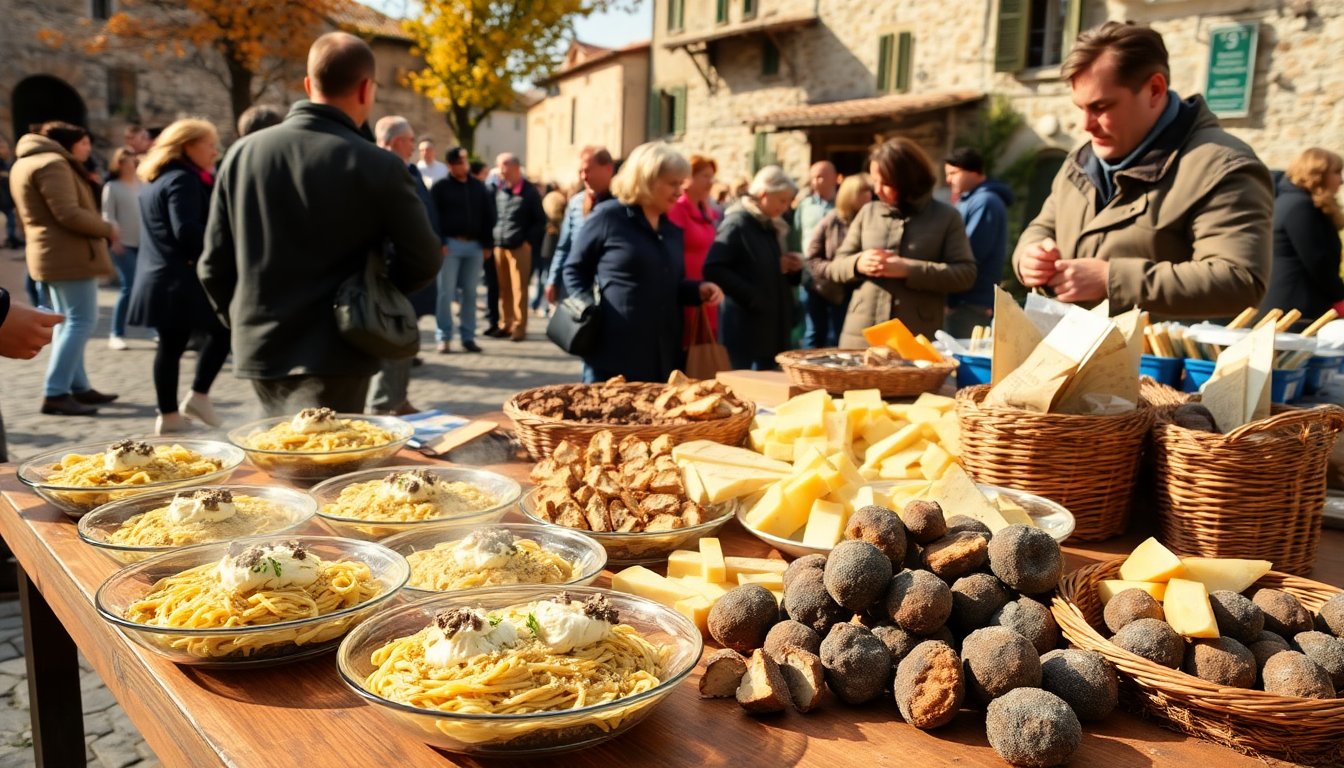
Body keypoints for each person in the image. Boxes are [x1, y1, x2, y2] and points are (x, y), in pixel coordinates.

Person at [199, 32, 442, 415]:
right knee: (334, 466)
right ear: (367, 89)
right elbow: (424, 257)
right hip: (343, 342)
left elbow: (213, 263)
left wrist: (242, 319)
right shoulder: (377, 164)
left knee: (280, 460)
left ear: (309, 85)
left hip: (263, 342)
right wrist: (375, 297)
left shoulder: (242, 154)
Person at [1014, 21, 1273, 317]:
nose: (1085, 125)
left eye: (1100, 107)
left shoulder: (1222, 165)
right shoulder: (1080, 161)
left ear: (1154, 89)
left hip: (1163, 363)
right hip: (1071, 354)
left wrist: (1110, 279)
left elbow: (1240, 282)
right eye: (1080, 108)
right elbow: (1043, 227)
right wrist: (1030, 256)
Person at [562, 142, 723, 382]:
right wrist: (589, 311)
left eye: (681, 183)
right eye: (673, 183)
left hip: (662, 355)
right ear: (646, 179)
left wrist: (697, 289)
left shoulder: (671, 230)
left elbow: (672, 284)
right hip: (615, 351)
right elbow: (574, 269)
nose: (680, 192)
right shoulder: (609, 216)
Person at [10, 121, 121, 416]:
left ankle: (78, 386)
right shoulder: (53, 163)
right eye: (84, 143)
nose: (88, 148)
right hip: (67, 255)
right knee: (81, 321)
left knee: (68, 321)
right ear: (67, 143)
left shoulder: (28, 161)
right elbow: (68, 213)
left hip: (50, 253)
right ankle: (56, 392)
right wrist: (107, 228)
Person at [127, 119, 230, 434]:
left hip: (162, 277)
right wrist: (226, 234)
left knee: (171, 347)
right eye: (209, 144)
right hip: (178, 279)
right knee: (224, 329)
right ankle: (191, 401)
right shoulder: (182, 180)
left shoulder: (159, 178)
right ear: (188, 145)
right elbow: (185, 230)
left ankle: (173, 414)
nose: (215, 151)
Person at [825, 137, 975, 342]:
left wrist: (908, 269)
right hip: (861, 335)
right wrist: (858, 263)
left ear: (909, 181)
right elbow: (836, 267)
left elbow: (965, 274)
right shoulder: (868, 212)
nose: (877, 190)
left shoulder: (946, 217)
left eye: (885, 183)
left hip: (915, 337)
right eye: (874, 182)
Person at [367, 115, 444, 415]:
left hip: (406, 270)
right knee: (389, 337)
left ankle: (397, 398)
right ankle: (385, 403)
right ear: (397, 140)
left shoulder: (406, 169)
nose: (414, 146)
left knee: (403, 337)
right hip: (387, 271)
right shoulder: (377, 167)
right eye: (411, 140)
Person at [704, 166, 803, 370]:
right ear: (764, 194)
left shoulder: (767, 224)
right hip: (746, 328)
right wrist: (752, 297)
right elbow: (714, 268)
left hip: (767, 326)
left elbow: (757, 263)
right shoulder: (737, 223)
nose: (785, 207)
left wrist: (787, 267)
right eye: (782, 200)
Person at [1262, 147, 1344, 323]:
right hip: (1295, 311)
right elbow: (1318, 260)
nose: (1341, 180)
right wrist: (1340, 294)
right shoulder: (1300, 207)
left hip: (1290, 308)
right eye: (1336, 172)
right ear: (1318, 173)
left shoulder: (1291, 201)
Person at [943, 147, 1013, 339]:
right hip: (962, 300)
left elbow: (970, 253)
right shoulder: (970, 200)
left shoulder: (985, 201)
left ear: (972, 171)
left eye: (953, 173)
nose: (948, 180)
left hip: (971, 301)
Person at [430, 146, 494, 354]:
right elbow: (433, 216)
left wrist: (487, 243)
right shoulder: (440, 187)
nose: (464, 165)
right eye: (460, 162)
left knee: (471, 294)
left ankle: (468, 337)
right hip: (450, 245)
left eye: (466, 161)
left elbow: (488, 215)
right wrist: (439, 241)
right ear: (450, 165)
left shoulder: (478, 186)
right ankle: (444, 336)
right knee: (445, 293)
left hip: (474, 245)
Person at [544, 146, 615, 305]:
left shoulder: (623, 204)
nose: (584, 177)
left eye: (588, 170)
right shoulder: (576, 203)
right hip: (579, 288)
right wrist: (552, 280)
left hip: (610, 290)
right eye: (581, 171)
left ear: (608, 168)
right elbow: (564, 246)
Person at [805, 172, 872, 338]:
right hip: (829, 290)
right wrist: (836, 270)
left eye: (869, 190)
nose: (868, 195)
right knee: (819, 337)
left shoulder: (874, 220)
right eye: (862, 191)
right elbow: (812, 258)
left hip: (862, 294)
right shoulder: (831, 221)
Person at [668, 154, 721, 345]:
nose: (710, 181)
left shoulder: (706, 211)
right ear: (688, 178)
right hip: (685, 290)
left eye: (712, 176)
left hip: (704, 290)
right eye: (705, 176)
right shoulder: (677, 209)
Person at [491, 152, 544, 341]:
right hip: (500, 246)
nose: (500, 170)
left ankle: (519, 327)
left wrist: (528, 242)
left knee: (519, 288)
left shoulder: (529, 192)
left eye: (503, 166)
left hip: (520, 247)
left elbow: (539, 221)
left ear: (514, 167)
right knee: (504, 288)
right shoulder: (500, 190)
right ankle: (505, 323)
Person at [791, 161, 841, 348]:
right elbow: (796, 237)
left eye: (820, 176)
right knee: (812, 330)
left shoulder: (843, 204)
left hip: (836, 278)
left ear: (833, 178)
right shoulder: (805, 206)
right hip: (810, 278)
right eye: (812, 177)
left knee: (837, 331)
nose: (815, 181)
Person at [101, 147, 141, 351]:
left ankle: (153, 329)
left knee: (145, 287)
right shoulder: (112, 187)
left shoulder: (143, 183)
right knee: (129, 286)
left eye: (131, 159)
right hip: (123, 245)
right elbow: (107, 216)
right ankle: (116, 333)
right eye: (124, 160)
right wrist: (114, 240)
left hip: (145, 244)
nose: (129, 163)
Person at [535, 182, 567, 316]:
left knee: (545, 277)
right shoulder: (555, 222)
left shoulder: (548, 202)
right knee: (547, 277)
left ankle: (541, 303)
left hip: (548, 246)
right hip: (550, 245)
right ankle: (543, 304)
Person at [0, 137, 21, 250]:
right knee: (10, 219)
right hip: (3, 198)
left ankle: (11, 238)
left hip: (6, 197)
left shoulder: (6, 162)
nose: (6, 150)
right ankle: (11, 239)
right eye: (3, 148)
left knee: (11, 219)